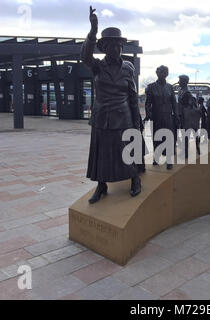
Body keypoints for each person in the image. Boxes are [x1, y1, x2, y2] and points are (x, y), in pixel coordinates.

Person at [82, 6, 142, 204]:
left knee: (127, 149)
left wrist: (137, 120)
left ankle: (135, 179)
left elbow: (133, 96)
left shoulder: (128, 68)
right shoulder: (98, 66)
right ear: (105, 47)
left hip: (123, 115)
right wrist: (93, 31)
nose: (117, 49)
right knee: (101, 153)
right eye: (112, 46)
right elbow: (85, 57)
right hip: (102, 116)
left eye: (119, 46)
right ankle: (101, 185)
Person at [145, 65, 179, 170]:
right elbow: (148, 103)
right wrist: (148, 113)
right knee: (157, 137)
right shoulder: (151, 87)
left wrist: (176, 115)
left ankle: (169, 160)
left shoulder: (170, 87)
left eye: (164, 72)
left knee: (169, 138)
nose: (162, 74)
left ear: (167, 74)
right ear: (157, 73)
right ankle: (156, 157)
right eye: (160, 72)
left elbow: (174, 102)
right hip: (157, 116)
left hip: (168, 116)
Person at [178, 75, 201, 158]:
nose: (178, 82)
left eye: (180, 80)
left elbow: (189, 106)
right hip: (182, 115)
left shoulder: (187, 93)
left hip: (188, 117)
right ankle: (186, 151)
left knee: (188, 134)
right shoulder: (181, 90)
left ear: (185, 81)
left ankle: (188, 152)